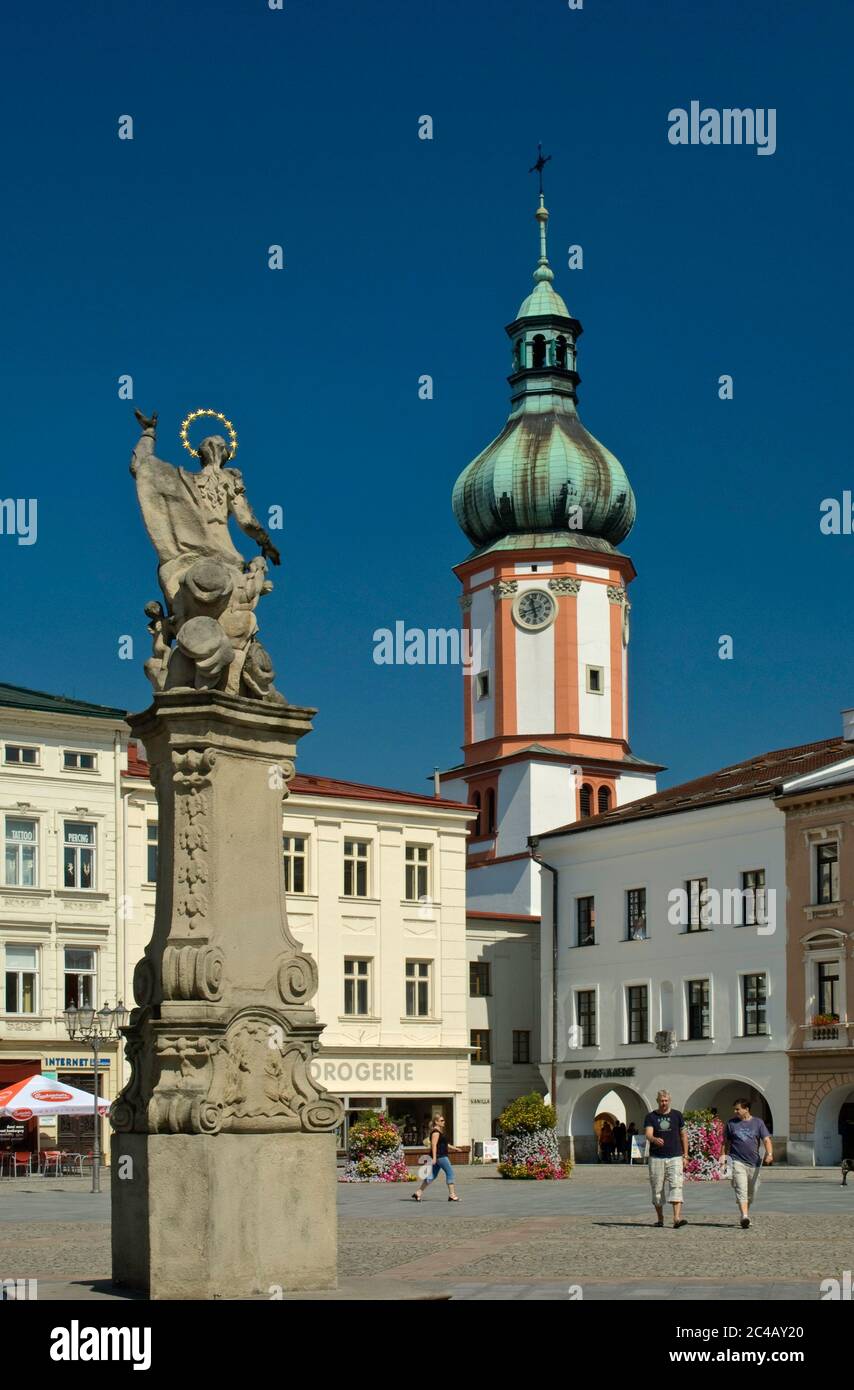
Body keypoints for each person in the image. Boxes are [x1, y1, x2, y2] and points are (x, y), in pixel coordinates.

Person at [721, 1098, 772, 1228]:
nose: (735, 1111)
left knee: (752, 1192)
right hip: (737, 1161)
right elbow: (726, 1142)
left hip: (754, 1163)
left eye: (738, 1109)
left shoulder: (758, 1123)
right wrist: (724, 1158)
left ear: (746, 1109)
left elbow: (766, 1139)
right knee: (741, 1189)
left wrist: (769, 1154)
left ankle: (745, 1213)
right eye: (735, 1109)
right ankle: (744, 1216)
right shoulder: (731, 1123)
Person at [644, 1090, 688, 1227]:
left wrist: (685, 1155)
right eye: (661, 1101)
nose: (664, 1103)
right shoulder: (651, 1116)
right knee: (657, 1188)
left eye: (666, 1100)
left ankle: (676, 1218)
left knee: (676, 1185)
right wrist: (653, 1139)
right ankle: (660, 1218)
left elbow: (683, 1135)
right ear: (657, 1101)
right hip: (657, 1157)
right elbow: (648, 1134)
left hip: (675, 1155)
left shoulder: (677, 1115)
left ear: (669, 1100)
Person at [412, 1114, 460, 1202]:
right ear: (436, 1122)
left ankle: (418, 1193)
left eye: (443, 1120)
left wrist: (455, 1148)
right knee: (450, 1173)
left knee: (432, 1176)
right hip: (440, 1156)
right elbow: (433, 1145)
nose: (443, 1122)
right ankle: (452, 1195)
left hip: (438, 1156)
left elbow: (444, 1144)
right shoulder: (436, 1132)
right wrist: (434, 1158)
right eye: (441, 1120)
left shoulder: (439, 1132)